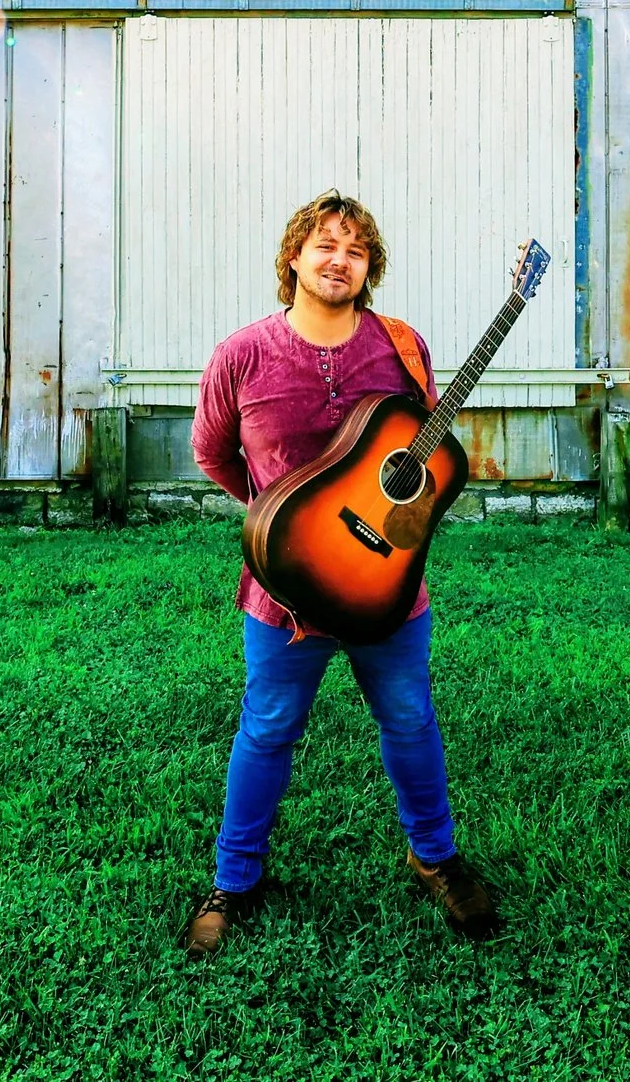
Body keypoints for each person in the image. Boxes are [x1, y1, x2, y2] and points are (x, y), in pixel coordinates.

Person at [177, 190, 501, 960]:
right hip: (285, 596)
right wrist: (281, 523)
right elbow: (212, 453)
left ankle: (436, 856)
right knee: (267, 728)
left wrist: (396, 525)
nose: (338, 258)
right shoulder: (242, 354)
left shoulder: (402, 347)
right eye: (325, 243)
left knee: (412, 720)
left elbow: (421, 463)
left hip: (388, 587)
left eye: (355, 250)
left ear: (369, 268)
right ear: (293, 256)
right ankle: (234, 879)